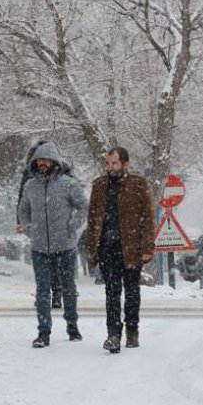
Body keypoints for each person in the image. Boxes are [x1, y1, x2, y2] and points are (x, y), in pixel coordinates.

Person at [18, 141, 88, 348]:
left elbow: (84, 207)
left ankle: (72, 326)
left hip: (65, 247)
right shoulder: (31, 186)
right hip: (39, 248)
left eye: (46, 159)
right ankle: (44, 332)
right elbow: (23, 210)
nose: (42, 163)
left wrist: (72, 225)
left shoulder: (68, 184)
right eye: (39, 160)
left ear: (54, 161)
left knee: (68, 289)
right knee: (42, 290)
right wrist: (29, 228)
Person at [85, 147, 155, 353]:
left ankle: (132, 330)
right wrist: (92, 247)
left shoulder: (138, 185)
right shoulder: (99, 186)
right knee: (112, 292)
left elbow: (148, 218)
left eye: (114, 163)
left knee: (132, 292)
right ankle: (113, 334)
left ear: (125, 164)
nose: (110, 167)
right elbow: (92, 218)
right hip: (108, 248)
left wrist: (148, 247)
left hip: (132, 247)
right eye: (108, 163)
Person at [17, 140, 69, 309]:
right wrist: (21, 220)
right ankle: (44, 293)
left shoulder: (64, 172)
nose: (41, 163)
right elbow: (23, 198)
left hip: (58, 223)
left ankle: (57, 291)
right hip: (38, 223)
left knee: (56, 260)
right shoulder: (30, 174)